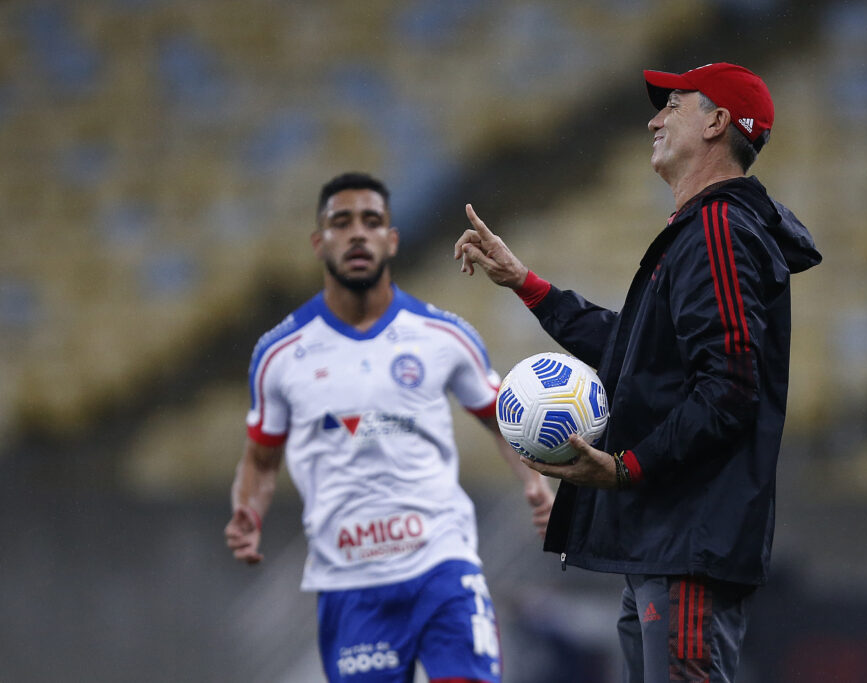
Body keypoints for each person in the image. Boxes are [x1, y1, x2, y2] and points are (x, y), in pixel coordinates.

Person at [454, 63, 821, 682]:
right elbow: (635, 351)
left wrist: (629, 467)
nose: (654, 118)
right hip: (668, 543)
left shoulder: (719, 232)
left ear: (717, 122)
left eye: (673, 105)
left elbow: (729, 389)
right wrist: (528, 285)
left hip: (689, 542)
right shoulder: (701, 231)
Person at [224, 171, 554, 683]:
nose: (358, 233)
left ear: (391, 239)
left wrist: (535, 482)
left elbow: (500, 417)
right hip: (351, 584)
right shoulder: (278, 354)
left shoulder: (443, 336)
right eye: (342, 222)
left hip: (443, 566)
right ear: (319, 242)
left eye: (372, 221)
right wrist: (248, 510)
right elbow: (261, 458)